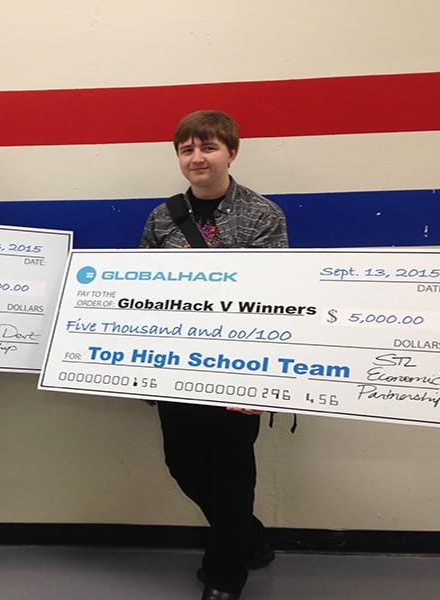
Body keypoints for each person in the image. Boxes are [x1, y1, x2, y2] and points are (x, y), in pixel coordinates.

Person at [139, 110, 287, 600]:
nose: (197, 157)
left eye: (208, 147)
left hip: (237, 368)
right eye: (187, 149)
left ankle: (225, 574)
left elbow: (277, 301)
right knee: (182, 462)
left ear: (231, 152)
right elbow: (139, 296)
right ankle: (252, 537)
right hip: (175, 368)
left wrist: (263, 380)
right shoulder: (161, 219)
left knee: (231, 469)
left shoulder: (263, 215)